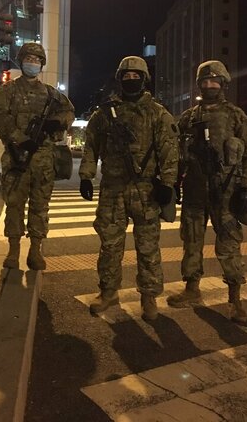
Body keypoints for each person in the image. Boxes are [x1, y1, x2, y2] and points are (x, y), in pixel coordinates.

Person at [79, 56, 179, 322]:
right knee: (110, 246)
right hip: (112, 190)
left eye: (136, 76)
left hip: (146, 191)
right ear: (119, 79)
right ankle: (109, 291)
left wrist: (168, 184)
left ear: (145, 79)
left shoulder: (158, 113)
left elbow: (169, 151)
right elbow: (91, 145)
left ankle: (149, 296)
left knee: (148, 248)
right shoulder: (105, 114)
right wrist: (86, 176)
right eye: (126, 76)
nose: (131, 80)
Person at [167, 60, 247, 323]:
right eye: (205, 81)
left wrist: (246, 186)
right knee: (191, 242)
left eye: (214, 81)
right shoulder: (188, 117)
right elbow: (176, 154)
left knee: (229, 246)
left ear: (223, 84)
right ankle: (191, 289)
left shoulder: (236, 116)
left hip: (227, 193)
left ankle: (235, 300)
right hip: (195, 191)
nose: (210, 86)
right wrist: (173, 181)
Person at [0, 42, 75, 270]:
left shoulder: (50, 93)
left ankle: (35, 250)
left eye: (37, 60)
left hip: (43, 160)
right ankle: (14, 249)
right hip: (17, 158)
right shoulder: (7, 91)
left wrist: (57, 124)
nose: (33, 63)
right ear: (21, 61)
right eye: (29, 59)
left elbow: (69, 111)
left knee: (40, 206)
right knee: (14, 205)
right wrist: (19, 137)